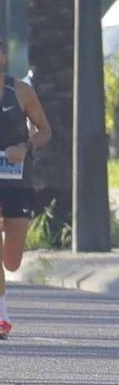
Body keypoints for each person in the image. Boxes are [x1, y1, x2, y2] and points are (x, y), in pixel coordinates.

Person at [0, 46, 51, 340]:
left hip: (17, 182)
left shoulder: (20, 91)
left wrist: (26, 147)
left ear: (3, 56)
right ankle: (3, 315)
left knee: (11, 260)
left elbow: (44, 130)